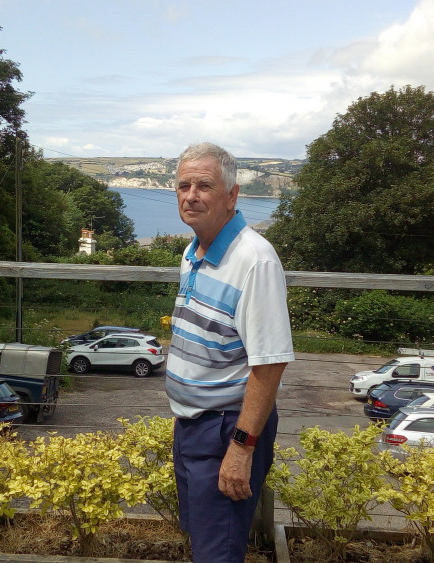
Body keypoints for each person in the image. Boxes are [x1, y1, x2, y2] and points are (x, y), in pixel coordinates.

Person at [165, 142, 294, 562]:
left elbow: (269, 363)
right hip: (191, 426)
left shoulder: (255, 260)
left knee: (217, 553)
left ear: (232, 195)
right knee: (204, 542)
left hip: (227, 429)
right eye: (184, 185)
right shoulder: (193, 251)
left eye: (204, 185)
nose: (191, 195)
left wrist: (241, 447)